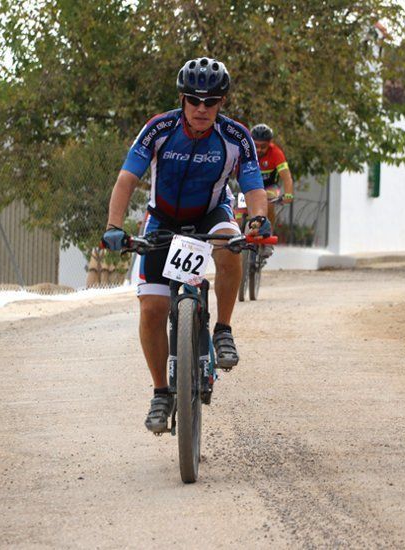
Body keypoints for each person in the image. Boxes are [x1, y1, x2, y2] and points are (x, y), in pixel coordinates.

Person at [102, 57, 271, 433]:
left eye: (210, 102)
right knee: (153, 308)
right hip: (162, 219)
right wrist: (114, 226)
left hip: (211, 213)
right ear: (182, 99)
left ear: (221, 104)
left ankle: (223, 329)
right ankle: (162, 392)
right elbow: (127, 178)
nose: (201, 109)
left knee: (231, 243)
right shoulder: (159, 129)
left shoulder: (236, 137)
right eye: (194, 100)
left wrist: (257, 218)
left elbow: (254, 187)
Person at [250, 124, 293, 255]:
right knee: (238, 211)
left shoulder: (276, 153)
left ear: (270, 143)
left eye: (263, 146)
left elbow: (286, 177)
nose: (259, 149)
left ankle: (268, 236)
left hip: (269, 187)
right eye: (256, 145)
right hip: (250, 188)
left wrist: (289, 194)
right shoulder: (246, 150)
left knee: (268, 203)